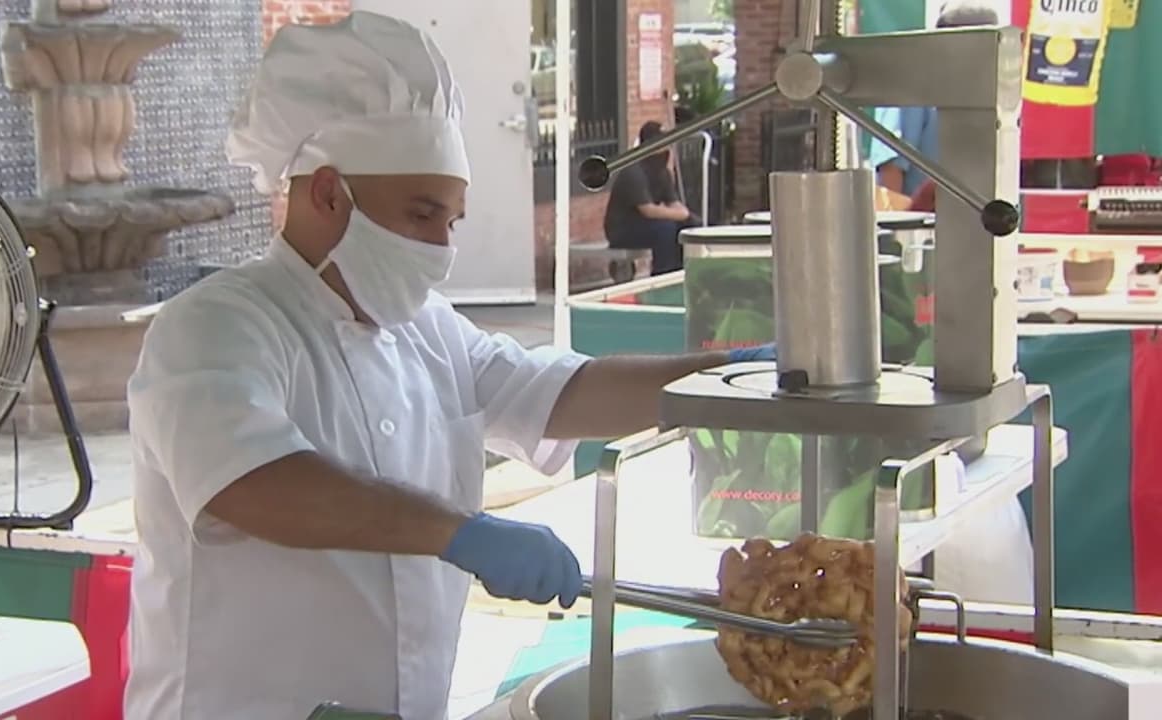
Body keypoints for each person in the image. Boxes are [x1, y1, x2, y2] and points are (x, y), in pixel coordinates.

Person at [121, 12, 774, 720]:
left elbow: (562, 392)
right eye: (422, 213)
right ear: (328, 193)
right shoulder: (218, 326)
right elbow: (255, 485)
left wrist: (727, 377)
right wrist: (457, 532)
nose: (440, 244)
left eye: (452, 221)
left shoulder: (428, 329)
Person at [869, 3, 1001, 201]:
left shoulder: (985, 92)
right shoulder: (911, 82)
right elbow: (890, 172)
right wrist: (898, 228)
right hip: (922, 224)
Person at [603, 121, 700, 276]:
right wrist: (681, 215)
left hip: (646, 225)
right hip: (622, 230)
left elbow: (674, 203)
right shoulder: (633, 171)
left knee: (690, 225)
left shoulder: (663, 173)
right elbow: (648, 210)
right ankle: (661, 277)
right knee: (665, 229)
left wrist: (687, 217)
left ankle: (683, 273)